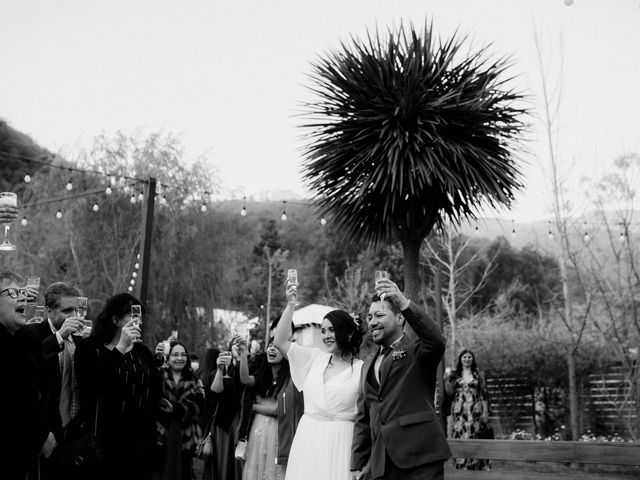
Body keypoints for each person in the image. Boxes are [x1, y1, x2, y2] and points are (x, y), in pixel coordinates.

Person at [350, 277, 451, 480]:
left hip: (420, 459)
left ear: (400, 318)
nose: (372, 322)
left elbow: (436, 340)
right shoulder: (368, 364)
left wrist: (403, 302)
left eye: (379, 315)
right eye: (369, 317)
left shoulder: (417, 351)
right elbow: (364, 417)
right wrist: (358, 463)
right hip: (381, 465)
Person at [274, 281, 364, 480]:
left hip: (341, 442)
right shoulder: (314, 358)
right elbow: (279, 341)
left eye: (332, 330)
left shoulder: (361, 369)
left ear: (348, 333)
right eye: (323, 331)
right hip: (308, 440)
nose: (326, 336)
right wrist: (290, 305)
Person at [75, 293, 162, 480]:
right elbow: (92, 386)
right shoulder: (90, 348)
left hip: (141, 440)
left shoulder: (143, 352)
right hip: (106, 439)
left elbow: (155, 390)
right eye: (132, 316)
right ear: (115, 319)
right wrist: (120, 348)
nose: (137, 321)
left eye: (139, 317)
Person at [21, 282, 84, 462]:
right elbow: (30, 370)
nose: (73, 315)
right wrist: (59, 336)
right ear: (49, 312)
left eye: (76, 310)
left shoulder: (80, 343)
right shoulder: (31, 333)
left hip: (73, 433)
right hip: (44, 433)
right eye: (67, 311)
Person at [0, 271, 49, 480]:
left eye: (22, 292)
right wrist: (39, 438)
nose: (22, 297)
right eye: (12, 292)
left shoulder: (25, 343)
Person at [237, 337, 291, 480]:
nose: (272, 349)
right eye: (270, 346)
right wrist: (243, 355)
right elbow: (245, 379)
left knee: (273, 468)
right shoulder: (264, 374)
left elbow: (277, 410)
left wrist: (254, 407)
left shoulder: (289, 378)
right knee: (257, 465)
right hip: (258, 428)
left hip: (278, 429)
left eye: (277, 347)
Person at [155, 341, 205, 480]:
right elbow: (153, 398)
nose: (179, 358)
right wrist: (158, 359)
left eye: (183, 355)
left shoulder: (195, 381)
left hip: (185, 440)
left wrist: (176, 409)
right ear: (168, 357)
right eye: (175, 354)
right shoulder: (158, 376)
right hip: (160, 438)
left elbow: (199, 405)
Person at [203, 338, 244, 480]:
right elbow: (215, 392)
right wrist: (220, 370)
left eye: (242, 345)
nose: (238, 348)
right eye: (235, 345)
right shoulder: (221, 369)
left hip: (241, 421)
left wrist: (241, 359)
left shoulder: (249, 366)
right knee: (222, 462)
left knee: (238, 464)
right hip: (223, 424)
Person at [444, 349, 491, 471]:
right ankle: (462, 467)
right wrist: (447, 380)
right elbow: (449, 393)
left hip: (475, 410)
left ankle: (475, 467)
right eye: (464, 357)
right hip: (459, 411)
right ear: (460, 359)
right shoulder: (455, 374)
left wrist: (485, 412)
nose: (467, 359)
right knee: (460, 436)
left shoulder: (478, 374)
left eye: (469, 357)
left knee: (475, 435)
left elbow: (484, 394)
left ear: (473, 359)